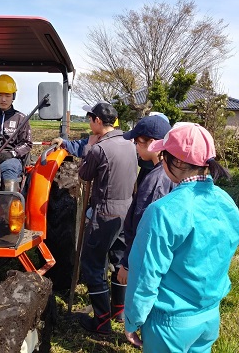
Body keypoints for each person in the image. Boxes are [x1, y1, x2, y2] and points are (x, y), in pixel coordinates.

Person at [124, 122, 239, 353]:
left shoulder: (162, 211)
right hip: (209, 315)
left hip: (169, 322)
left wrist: (133, 319)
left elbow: (145, 273)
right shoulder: (226, 201)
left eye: (164, 154)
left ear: (175, 160)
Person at [73, 102, 138, 335]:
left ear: (98, 121)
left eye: (90, 120)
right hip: (127, 210)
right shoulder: (130, 144)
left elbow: (84, 174)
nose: (89, 124)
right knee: (120, 259)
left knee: (91, 263)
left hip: (106, 211)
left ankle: (101, 322)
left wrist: (88, 148)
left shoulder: (100, 149)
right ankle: (118, 310)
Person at [116, 115, 176, 343]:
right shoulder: (161, 171)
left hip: (145, 258)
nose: (134, 146)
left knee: (149, 301)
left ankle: (145, 334)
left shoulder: (156, 180)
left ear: (152, 143)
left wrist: (127, 264)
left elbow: (145, 228)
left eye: (137, 142)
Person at [0, 74, 32, 191]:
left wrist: (11, 154)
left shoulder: (20, 118)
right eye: (0, 95)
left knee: (8, 170)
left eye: (7, 95)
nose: (3, 99)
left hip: (10, 158)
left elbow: (27, 144)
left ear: (13, 96)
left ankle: (9, 205)